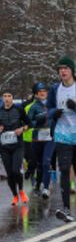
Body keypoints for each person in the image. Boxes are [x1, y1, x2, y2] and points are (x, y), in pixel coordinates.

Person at [47, 56, 76, 222]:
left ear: (72, 70)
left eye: (66, 68)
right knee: (64, 170)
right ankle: (66, 209)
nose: (62, 71)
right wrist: (53, 113)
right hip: (62, 135)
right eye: (60, 69)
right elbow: (49, 108)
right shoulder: (55, 89)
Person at [0, 90, 30, 205]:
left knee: (16, 170)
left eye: (9, 96)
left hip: (17, 145)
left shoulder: (19, 109)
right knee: (9, 173)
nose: (7, 98)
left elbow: (29, 123)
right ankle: (14, 195)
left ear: (12, 98)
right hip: (3, 146)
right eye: (5, 96)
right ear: (2, 98)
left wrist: (22, 129)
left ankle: (21, 191)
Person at [27, 83, 55, 199]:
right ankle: (38, 185)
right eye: (40, 92)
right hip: (37, 138)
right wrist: (36, 122)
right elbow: (27, 122)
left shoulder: (52, 105)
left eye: (44, 91)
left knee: (46, 163)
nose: (42, 93)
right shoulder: (33, 107)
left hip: (50, 138)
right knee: (38, 164)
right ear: (36, 94)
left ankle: (46, 188)